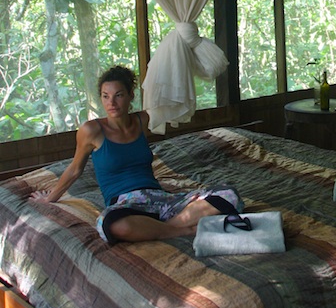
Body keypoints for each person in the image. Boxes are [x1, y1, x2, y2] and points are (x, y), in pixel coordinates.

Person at [31, 65, 243, 244]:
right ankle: (182, 230)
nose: (111, 103)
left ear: (131, 96)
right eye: (105, 96)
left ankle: (160, 227)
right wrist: (50, 198)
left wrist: (179, 61)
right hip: (126, 205)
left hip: (160, 200)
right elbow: (75, 169)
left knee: (228, 195)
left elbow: (174, 104)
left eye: (119, 95)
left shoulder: (143, 121)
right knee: (109, 224)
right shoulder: (91, 130)